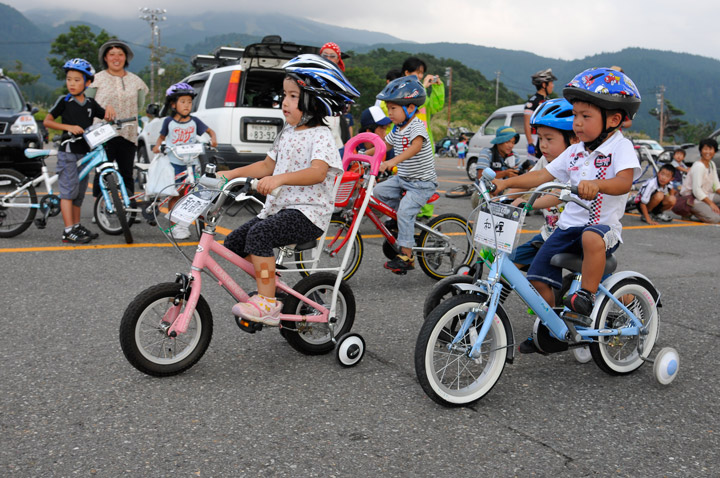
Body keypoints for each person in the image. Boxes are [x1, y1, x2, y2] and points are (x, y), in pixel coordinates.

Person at [491, 67, 642, 352]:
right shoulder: (574, 151)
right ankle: (553, 328)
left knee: (589, 237)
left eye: (586, 116)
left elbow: (624, 182)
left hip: (603, 230)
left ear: (613, 119)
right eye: (575, 116)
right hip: (566, 229)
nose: (578, 123)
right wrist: (506, 183)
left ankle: (585, 295)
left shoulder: (620, 147)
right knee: (536, 280)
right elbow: (541, 177)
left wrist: (598, 184)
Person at [220, 54, 358, 325]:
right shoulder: (288, 131)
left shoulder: (320, 134)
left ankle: (268, 302)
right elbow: (266, 165)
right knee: (234, 243)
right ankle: (271, 284)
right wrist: (231, 174)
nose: (284, 102)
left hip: (308, 214)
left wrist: (281, 180)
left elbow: (318, 172)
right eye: (284, 95)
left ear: (313, 100)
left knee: (259, 235)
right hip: (281, 209)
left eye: (293, 96)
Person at [371, 76, 437, 274]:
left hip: (421, 183)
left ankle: (407, 256)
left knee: (406, 212)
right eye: (388, 108)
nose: (389, 113)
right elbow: (384, 146)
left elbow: (415, 147)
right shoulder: (397, 128)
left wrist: (391, 162)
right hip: (403, 179)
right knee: (378, 192)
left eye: (393, 108)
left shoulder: (416, 126)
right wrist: (360, 154)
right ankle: (396, 223)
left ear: (409, 108)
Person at [507, 98, 578, 269]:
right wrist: (502, 194)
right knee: (509, 266)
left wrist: (529, 203)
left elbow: (558, 196)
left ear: (573, 140)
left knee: (599, 286)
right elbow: (528, 181)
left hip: (575, 239)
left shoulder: (576, 164)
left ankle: (629, 295)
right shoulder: (545, 162)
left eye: (549, 139)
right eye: (540, 138)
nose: (543, 145)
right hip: (549, 234)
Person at [43, 59, 108, 244]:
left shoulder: (90, 103)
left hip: (85, 153)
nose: (72, 83)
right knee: (68, 191)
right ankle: (68, 230)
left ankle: (77, 225)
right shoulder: (64, 101)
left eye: (77, 80)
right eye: (69, 79)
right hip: (69, 152)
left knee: (79, 193)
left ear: (87, 83)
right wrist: (68, 127)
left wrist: (110, 110)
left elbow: (106, 115)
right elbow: (48, 121)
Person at [152, 82, 218, 240]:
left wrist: (213, 139)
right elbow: (161, 137)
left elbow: (210, 131)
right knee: (176, 193)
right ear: (173, 104)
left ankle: (184, 223)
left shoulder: (195, 121)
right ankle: (174, 227)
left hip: (192, 163)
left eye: (189, 102)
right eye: (183, 102)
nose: (187, 105)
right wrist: (157, 146)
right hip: (175, 163)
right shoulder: (169, 122)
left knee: (191, 194)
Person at [90, 39, 149, 198]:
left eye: (120, 54)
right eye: (112, 54)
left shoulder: (136, 81)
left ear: (126, 57)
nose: (116, 58)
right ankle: (100, 207)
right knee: (102, 171)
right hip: (102, 133)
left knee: (127, 172)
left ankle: (128, 206)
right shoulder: (96, 79)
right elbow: (87, 106)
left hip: (127, 132)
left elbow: (139, 105)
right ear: (105, 58)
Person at [400, 57, 445, 220]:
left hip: (424, 143)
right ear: (406, 73)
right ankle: (406, 211)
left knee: (425, 178)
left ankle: (424, 214)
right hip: (406, 142)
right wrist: (423, 87)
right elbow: (411, 105)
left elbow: (436, 106)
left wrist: (438, 88)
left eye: (422, 73)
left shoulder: (421, 93)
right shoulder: (401, 90)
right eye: (416, 72)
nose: (420, 76)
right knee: (405, 178)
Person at [672, 138, 720, 223]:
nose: (707, 152)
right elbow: (696, 191)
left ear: (715, 151)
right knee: (715, 219)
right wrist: (711, 204)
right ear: (701, 151)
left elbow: (716, 186)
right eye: (705, 149)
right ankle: (689, 211)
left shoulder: (712, 164)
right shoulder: (699, 166)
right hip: (692, 198)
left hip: (705, 195)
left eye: (710, 149)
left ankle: (705, 210)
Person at [319, 42, 349, 154]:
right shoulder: (311, 75)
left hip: (335, 134)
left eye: (332, 56)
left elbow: (346, 106)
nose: (328, 58)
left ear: (338, 59)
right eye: (325, 55)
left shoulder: (341, 79)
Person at [524, 68, 557, 159]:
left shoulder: (549, 101)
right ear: (544, 85)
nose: (552, 86)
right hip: (535, 137)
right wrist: (530, 143)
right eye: (551, 83)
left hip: (546, 137)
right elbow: (527, 123)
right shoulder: (533, 101)